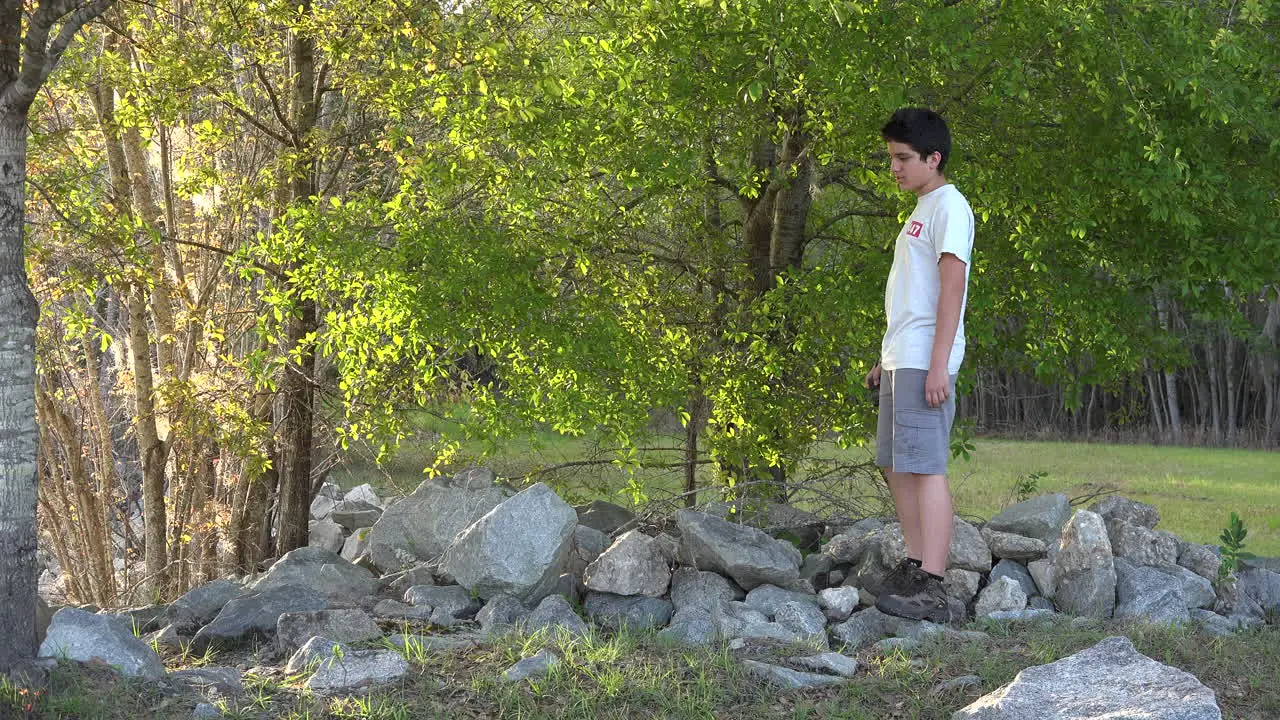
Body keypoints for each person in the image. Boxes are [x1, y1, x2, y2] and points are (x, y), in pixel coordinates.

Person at [864, 107, 975, 623]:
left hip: (925, 359)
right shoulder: (919, 210)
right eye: (891, 158)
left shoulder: (950, 206)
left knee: (926, 467)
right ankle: (913, 562)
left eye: (904, 158)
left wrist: (937, 366)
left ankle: (933, 583)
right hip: (899, 357)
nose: (895, 168)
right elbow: (909, 295)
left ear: (935, 158)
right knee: (894, 462)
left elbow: (951, 289)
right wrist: (882, 358)